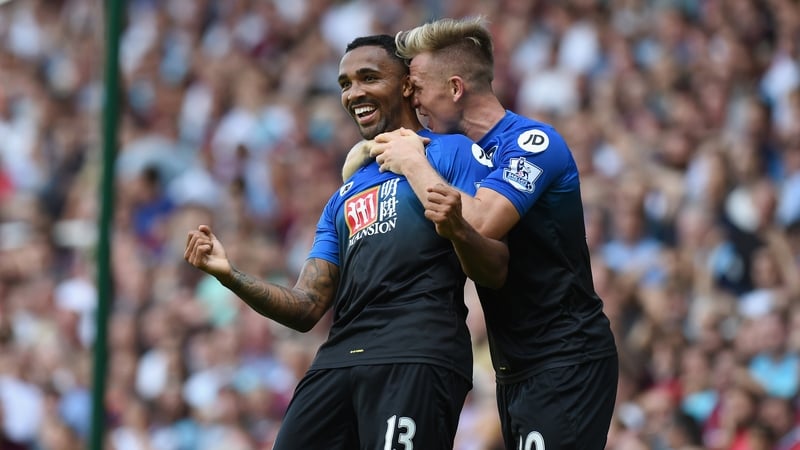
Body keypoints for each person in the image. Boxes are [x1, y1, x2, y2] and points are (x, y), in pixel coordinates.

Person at [184, 34, 496, 449]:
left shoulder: (452, 152)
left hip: (415, 353)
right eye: (345, 84)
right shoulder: (344, 194)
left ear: (406, 83)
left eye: (368, 77)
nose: (354, 93)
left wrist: (421, 174)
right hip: (338, 358)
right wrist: (230, 275)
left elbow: (491, 255)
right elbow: (307, 307)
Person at [361, 17, 619, 449]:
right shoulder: (462, 155)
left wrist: (411, 162)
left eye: (419, 85)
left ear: (456, 88)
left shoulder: (533, 142)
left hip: (566, 356)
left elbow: (479, 222)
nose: (413, 98)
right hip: (515, 364)